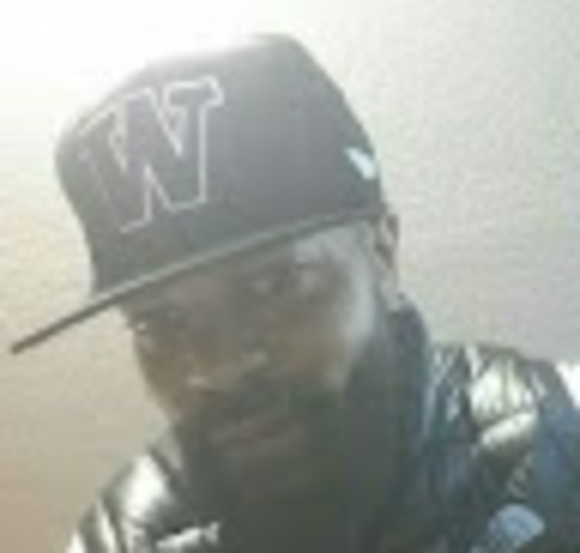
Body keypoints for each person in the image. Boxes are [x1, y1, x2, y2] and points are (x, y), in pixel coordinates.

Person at [12, 35, 580, 553]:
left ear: (381, 251)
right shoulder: (117, 542)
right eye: (159, 323)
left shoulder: (564, 437)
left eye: (272, 286)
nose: (215, 367)